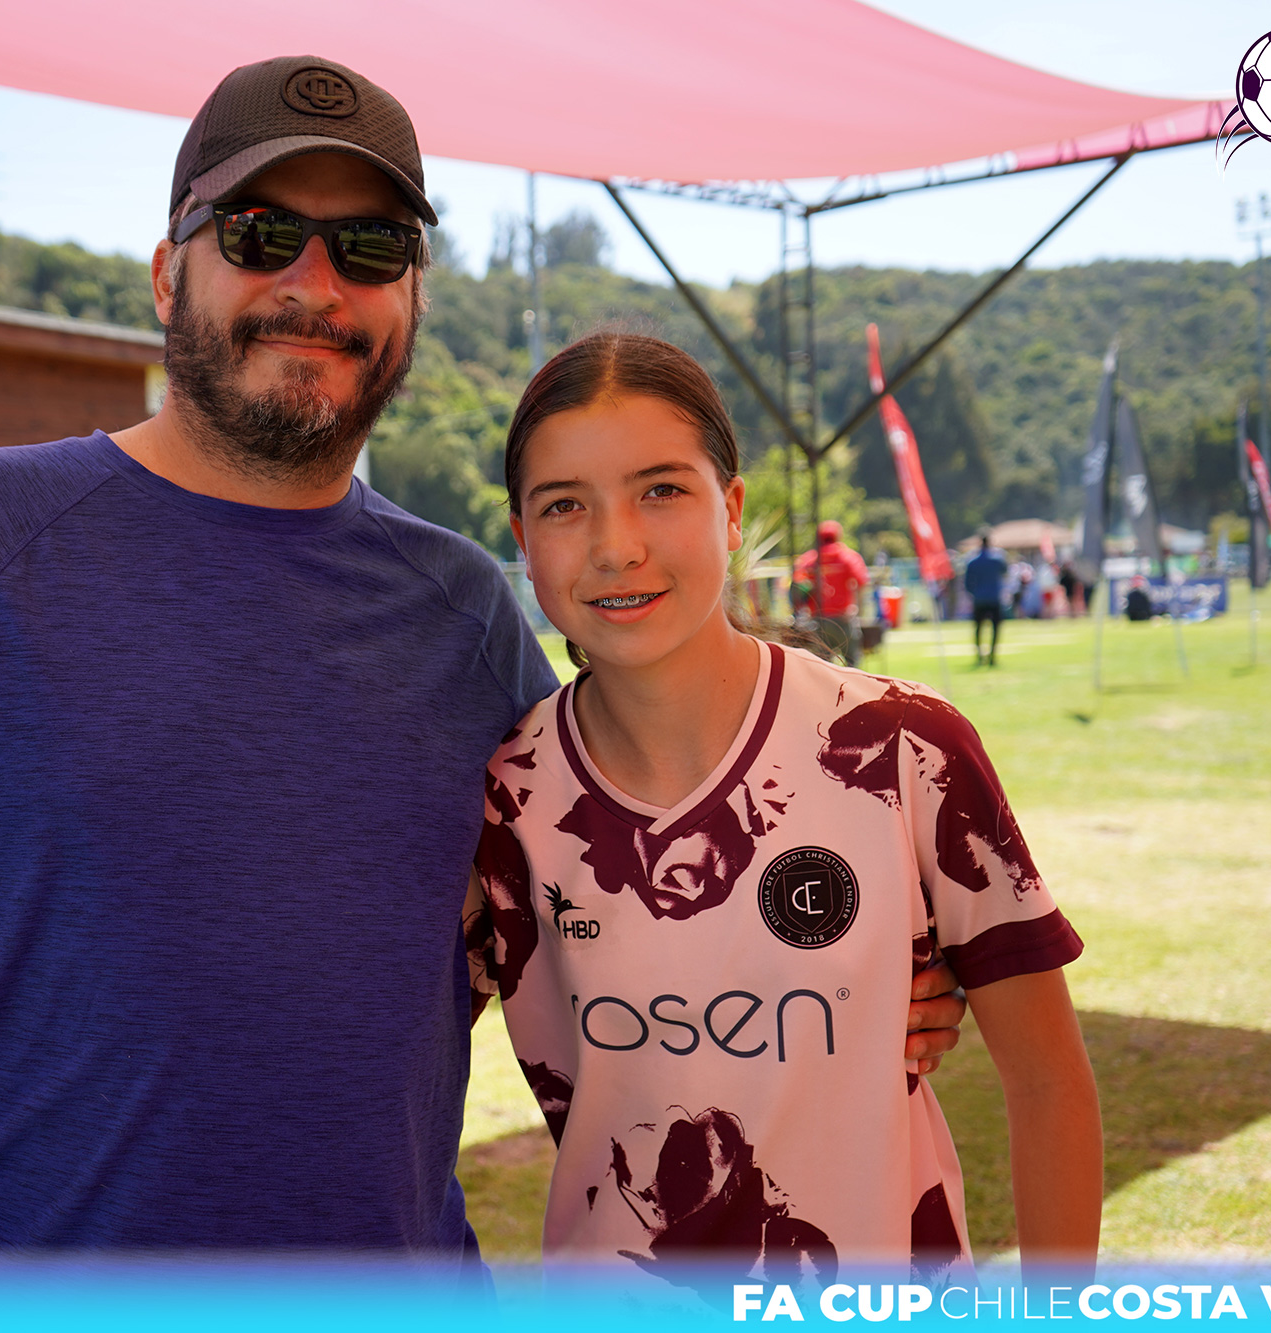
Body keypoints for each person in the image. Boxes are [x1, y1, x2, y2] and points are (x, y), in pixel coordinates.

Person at [0, 56, 969, 1261]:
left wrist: (859, 969)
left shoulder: (463, 609)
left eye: (369, 247)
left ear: (410, 299)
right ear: (166, 274)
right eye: (259, 233)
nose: (314, 283)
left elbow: (619, 896)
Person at [467, 334, 1100, 1292]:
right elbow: (378, 1054)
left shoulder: (902, 748)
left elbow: (1049, 1082)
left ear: (731, 510)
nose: (616, 544)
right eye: (565, 505)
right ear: (522, 537)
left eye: (661, 490)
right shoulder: (504, 796)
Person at [791, 520, 868, 665]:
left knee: (822, 665)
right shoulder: (847, 557)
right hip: (843, 617)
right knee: (852, 664)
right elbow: (862, 582)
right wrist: (858, 609)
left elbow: (797, 586)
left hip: (818, 619)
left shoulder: (809, 560)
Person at [963, 531, 1007, 665]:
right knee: (995, 628)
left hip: (979, 598)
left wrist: (974, 593)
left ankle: (979, 656)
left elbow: (967, 582)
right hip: (994, 598)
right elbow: (1005, 572)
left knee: (978, 628)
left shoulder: (973, 560)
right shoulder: (997, 559)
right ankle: (992, 656)